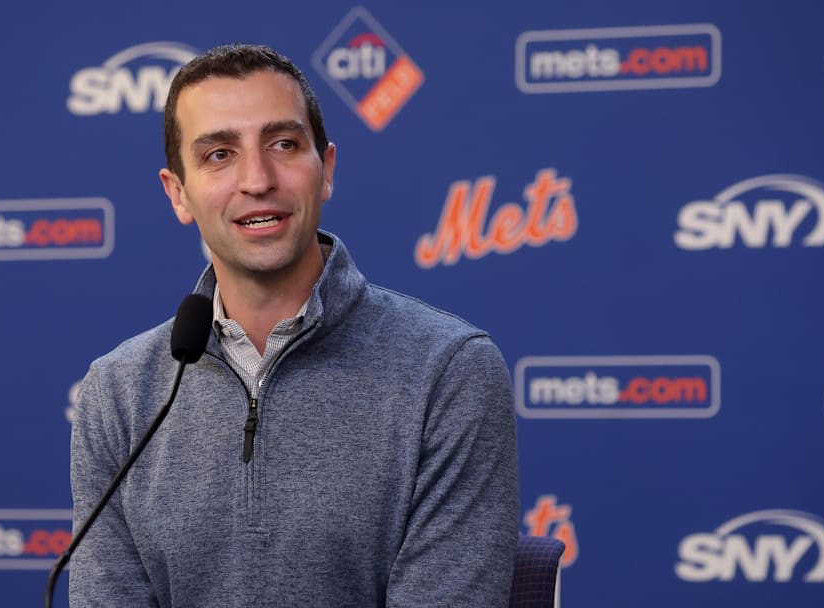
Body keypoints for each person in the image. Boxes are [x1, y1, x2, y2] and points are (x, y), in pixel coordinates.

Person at [69, 43, 519, 607]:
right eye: (218, 155)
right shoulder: (115, 392)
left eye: (283, 144)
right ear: (178, 193)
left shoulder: (449, 372)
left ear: (325, 170)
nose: (257, 179)